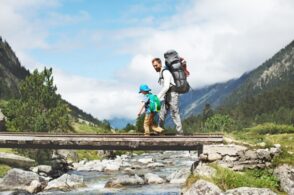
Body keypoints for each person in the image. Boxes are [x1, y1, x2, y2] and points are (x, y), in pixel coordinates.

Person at [152, 58, 183, 135]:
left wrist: (158, 97)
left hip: (173, 94)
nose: (155, 67)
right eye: (153, 66)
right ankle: (159, 130)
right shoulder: (162, 72)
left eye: (156, 65)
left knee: (174, 113)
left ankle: (180, 132)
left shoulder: (165, 72)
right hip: (167, 95)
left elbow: (166, 86)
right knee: (162, 113)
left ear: (160, 64)